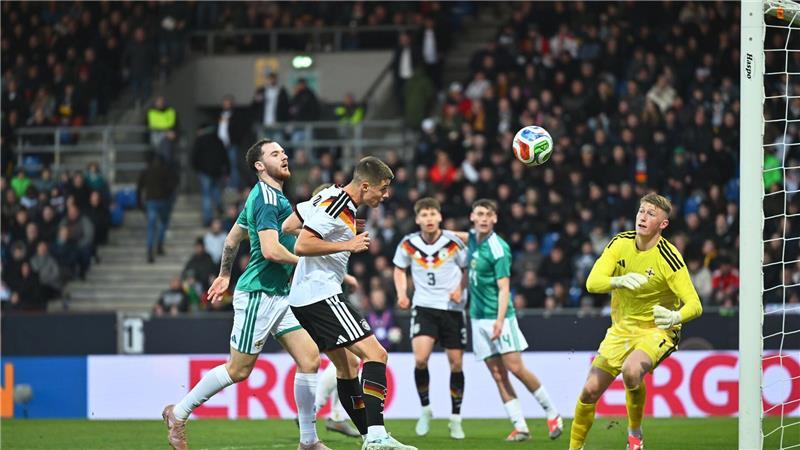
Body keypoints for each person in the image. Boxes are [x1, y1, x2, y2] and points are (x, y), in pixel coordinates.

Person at [162, 139, 330, 450]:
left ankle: (308, 441)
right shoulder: (266, 198)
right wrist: (308, 263)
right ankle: (178, 413)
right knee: (238, 370)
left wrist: (225, 274)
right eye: (275, 153)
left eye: (283, 152)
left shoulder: (269, 196)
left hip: (280, 295)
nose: (285, 155)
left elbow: (232, 238)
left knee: (309, 360)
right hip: (260, 295)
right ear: (259, 165)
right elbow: (270, 250)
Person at [286, 157, 416, 450]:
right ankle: (377, 435)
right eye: (382, 189)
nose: (385, 195)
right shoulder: (337, 204)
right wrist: (347, 244)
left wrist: (332, 238)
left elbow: (288, 225)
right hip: (320, 295)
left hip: (308, 296)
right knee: (377, 355)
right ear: (365, 185)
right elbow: (302, 245)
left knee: (348, 366)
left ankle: (369, 438)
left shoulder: (328, 196)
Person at [568, 193, 703, 450]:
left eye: (651, 214)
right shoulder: (619, 243)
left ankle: (634, 435)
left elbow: (695, 304)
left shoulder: (669, 257)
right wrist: (616, 280)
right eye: (641, 211)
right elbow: (591, 283)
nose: (643, 216)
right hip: (620, 330)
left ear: (663, 224)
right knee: (589, 392)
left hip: (657, 330)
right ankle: (574, 448)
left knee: (631, 371)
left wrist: (675, 316)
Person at [453, 200, 563, 442]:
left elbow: (505, 289)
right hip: (477, 318)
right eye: (479, 214)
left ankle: (553, 413)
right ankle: (520, 426)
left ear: (495, 219)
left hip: (498, 317)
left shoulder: (498, 248)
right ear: (472, 217)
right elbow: (451, 237)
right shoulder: (472, 239)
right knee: (498, 374)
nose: (483, 218)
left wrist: (500, 321)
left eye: (488, 215)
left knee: (515, 368)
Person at [393, 197, 468, 439]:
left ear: (440, 217)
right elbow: (398, 268)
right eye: (424, 215)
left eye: (432, 214)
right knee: (421, 359)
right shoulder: (408, 244)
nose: (428, 219)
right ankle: (425, 409)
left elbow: (468, 269)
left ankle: (456, 418)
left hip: (452, 309)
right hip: (424, 307)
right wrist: (402, 293)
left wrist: (460, 288)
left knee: (456, 364)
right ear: (417, 219)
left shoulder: (453, 243)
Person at [137, 155, 177, 263]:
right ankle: (159, 244)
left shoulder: (146, 171)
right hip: (163, 201)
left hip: (151, 202)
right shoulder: (165, 171)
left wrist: (139, 203)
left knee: (151, 227)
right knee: (163, 223)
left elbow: (139, 187)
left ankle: (150, 250)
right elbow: (171, 187)